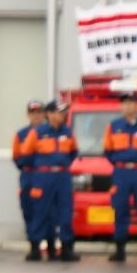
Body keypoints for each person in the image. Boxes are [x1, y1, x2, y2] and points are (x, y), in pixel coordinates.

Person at [104, 91, 137, 264]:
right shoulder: (113, 126)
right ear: (121, 106)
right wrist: (121, 163)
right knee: (120, 210)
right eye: (124, 103)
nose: (128, 106)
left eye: (131, 102)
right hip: (121, 173)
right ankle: (120, 251)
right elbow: (108, 151)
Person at [31, 99, 79, 262]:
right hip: (44, 176)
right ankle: (35, 247)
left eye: (63, 112)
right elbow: (25, 155)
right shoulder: (38, 132)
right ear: (49, 114)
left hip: (63, 176)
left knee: (65, 212)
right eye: (59, 112)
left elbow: (73, 152)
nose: (62, 115)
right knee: (41, 211)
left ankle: (66, 247)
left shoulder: (68, 132)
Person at [14, 100, 47, 260]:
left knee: (46, 210)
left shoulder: (49, 131)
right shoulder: (21, 134)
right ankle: (33, 244)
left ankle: (48, 243)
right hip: (28, 175)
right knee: (28, 210)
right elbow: (17, 156)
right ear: (28, 115)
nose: (36, 116)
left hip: (44, 175)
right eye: (33, 113)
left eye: (39, 113)